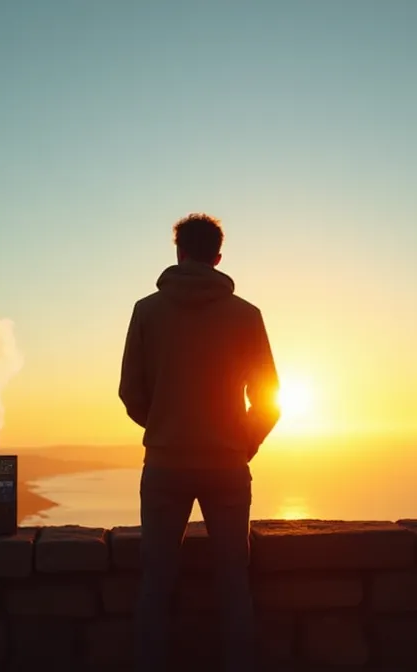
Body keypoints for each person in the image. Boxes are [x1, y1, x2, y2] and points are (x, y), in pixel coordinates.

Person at [118, 213, 281, 671]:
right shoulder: (246, 315)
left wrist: (167, 427)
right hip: (228, 466)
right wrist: (239, 443)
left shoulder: (146, 311)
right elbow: (270, 399)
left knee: (156, 583)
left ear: (179, 253)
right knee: (234, 582)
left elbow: (131, 391)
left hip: (165, 466)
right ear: (218, 258)